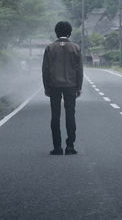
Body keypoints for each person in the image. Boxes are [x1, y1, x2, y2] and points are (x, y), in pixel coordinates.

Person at [42, 21, 83, 155]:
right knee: (70, 115)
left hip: (54, 86)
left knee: (55, 116)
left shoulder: (50, 48)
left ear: (56, 32)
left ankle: (57, 147)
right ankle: (70, 146)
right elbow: (79, 70)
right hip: (71, 86)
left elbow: (45, 69)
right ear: (69, 33)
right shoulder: (75, 48)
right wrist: (79, 87)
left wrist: (46, 86)